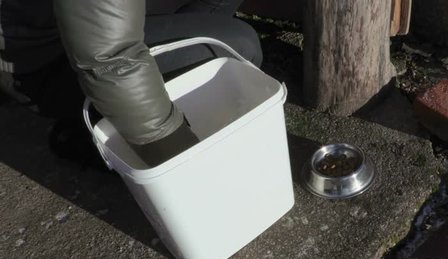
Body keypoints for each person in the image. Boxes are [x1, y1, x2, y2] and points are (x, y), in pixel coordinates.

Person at [0, 0, 262, 167]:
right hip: (46, 63)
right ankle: (101, 134)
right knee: (236, 46)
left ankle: (156, 98)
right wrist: (186, 164)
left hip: (98, 24)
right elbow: (110, 60)